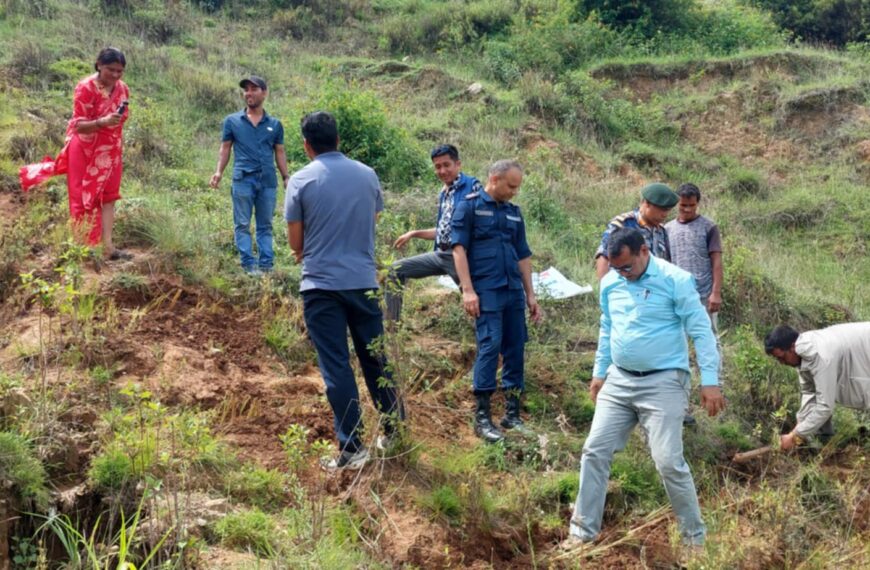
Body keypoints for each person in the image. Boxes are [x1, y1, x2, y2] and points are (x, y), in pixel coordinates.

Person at [568, 228, 724, 548]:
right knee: (594, 451)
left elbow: (702, 331)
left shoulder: (675, 280)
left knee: (668, 461)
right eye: (616, 268)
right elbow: (607, 328)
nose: (622, 275)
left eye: (627, 267)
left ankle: (694, 541)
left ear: (643, 252)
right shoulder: (611, 283)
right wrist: (600, 373)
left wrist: (710, 380)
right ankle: (582, 534)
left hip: (664, 381)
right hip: (620, 379)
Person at [284, 111, 404, 470]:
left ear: (306, 145)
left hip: (322, 287)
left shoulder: (301, 180)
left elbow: (295, 241)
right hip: (364, 283)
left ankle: (352, 449)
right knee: (376, 358)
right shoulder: (367, 175)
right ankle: (395, 430)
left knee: (337, 366)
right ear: (338, 139)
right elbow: (373, 220)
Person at [451, 160, 542, 443]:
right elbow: (458, 249)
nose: (515, 192)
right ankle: (483, 418)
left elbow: (523, 255)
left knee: (516, 348)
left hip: (513, 290)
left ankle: (511, 415)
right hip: (486, 290)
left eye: (518, 187)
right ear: (494, 178)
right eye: (511, 186)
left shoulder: (514, 213)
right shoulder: (468, 206)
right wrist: (467, 290)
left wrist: (530, 294)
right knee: (490, 346)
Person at [19, 47, 131, 259]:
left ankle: (108, 247)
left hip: (110, 151)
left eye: (120, 71)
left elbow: (122, 117)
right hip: (85, 150)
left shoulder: (123, 88)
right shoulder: (85, 87)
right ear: (99, 64)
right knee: (82, 197)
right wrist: (102, 122)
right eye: (111, 70)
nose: (115, 75)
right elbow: (78, 124)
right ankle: (85, 248)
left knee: (109, 197)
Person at [384, 144, 483, 321]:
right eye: (438, 167)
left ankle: (491, 343)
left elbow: (478, 226)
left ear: (457, 164)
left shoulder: (472, 187)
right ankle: (392, 328)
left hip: (461, 257)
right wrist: (413, 233)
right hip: (441, 254)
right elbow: (443, 232)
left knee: (477, 303)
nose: (442, 171)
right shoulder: (444, 193)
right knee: (395, 270)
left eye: (447, 165)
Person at [210, 75, 288, 275]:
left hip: (267, 180)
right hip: (243, 179)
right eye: (246, 89)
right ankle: (248, 265)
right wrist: (219, 172)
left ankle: (266, 266)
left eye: (254, 89)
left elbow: (279, 151)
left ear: (264, 92)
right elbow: (225, 149)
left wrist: (286, 176)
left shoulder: (275, 124)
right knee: (242, 223)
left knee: (265, 225)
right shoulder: (232, 121)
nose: (249, 93)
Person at [764, 323, 870, 451]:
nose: (781, 363)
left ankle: (825, 445)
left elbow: (825, 406)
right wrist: (799, 426)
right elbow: (809, 392)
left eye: (782, 357)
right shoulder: (802, 355)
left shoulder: (818, 355)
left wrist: (794, 436)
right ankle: (824, 446)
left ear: (792, 347)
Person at [593, 183, 678, 280]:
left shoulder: (661, 231)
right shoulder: (624, 224)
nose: (665, 215)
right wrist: (604, 290)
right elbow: (604, 257)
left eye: (668, 210)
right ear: (647, 203)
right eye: (662, 210)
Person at [665, 183, 723, 324]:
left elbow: (717, 261)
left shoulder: (709, 227)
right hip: (678, 294)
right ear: (677, 203)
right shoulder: (667, 229)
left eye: (692, 205)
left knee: (709, 336)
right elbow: (666, 263)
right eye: (683, 205)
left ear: (697, 203)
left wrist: (716, 293)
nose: (687, 209)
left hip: (704, 294)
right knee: (678, 337)